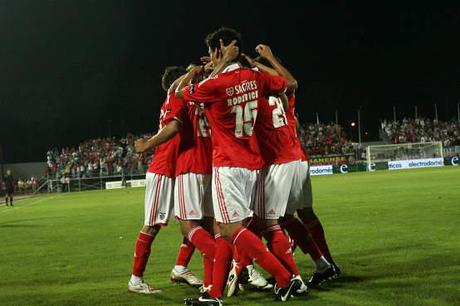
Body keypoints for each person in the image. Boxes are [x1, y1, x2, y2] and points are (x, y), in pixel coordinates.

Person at [176, 27, 302, 305]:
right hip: (252, 164)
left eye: (212, 51)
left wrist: (218, 66)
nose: (210, 57)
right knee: (223, 230)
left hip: (228, 165)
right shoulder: (254, 77)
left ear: (220, 48)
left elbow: (184, 94)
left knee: (232, 230)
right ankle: (214, 293)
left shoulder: (215, 84)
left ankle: (284, 278)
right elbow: (286, 84)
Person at [249, 45, 341, 286]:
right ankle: (325, 265)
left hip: (281, 161)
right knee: (294, 215)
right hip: (295, 156)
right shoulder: (282, 93)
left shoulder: (262, 90)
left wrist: (262, 61)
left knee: (267, 221)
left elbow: (288, 81)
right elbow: (289, 84)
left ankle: (283, 274)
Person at [127, 66, 201, 295]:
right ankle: (136, 280)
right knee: (152, 225)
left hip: (179, 170)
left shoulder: (179, 99)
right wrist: (148, 145)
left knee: (192, 221)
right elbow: (174, 126)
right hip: (163, 170)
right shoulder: (175, 96)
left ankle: (180, 267)